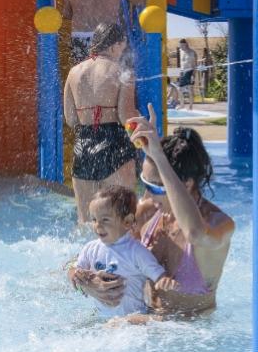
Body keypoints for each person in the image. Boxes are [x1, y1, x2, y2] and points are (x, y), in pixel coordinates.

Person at [70, 105, 235, 318]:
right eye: (144, 183)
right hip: (142, 320)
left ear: (185, 185)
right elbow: (80, 258)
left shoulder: (220, 224)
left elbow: (194, 234)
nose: (146, 195)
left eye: (155, 187)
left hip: (189, 333)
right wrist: (84, 281)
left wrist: (158, 156)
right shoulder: (147, 212)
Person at [64, 23, 139, 223]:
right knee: (123, 218)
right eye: (122, 48)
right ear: (115, 45)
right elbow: (126, 117)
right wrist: (141, 125)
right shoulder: (123, 72)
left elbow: (71, 119)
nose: (122, 52)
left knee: (87, 221)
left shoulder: (74, 73)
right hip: (115, 144)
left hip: (83, 146)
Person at [75, 186, 165, 318]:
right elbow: (76, 272)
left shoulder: (136, 251)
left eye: (105, 219)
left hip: (132, 322)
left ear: (127, 221)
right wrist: (82, 277)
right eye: (94, 219)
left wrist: (164, 281)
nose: (97, 225)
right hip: (101, 320)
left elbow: (157, 275)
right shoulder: (90, 249)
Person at [177, 38, 197, 110]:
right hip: (182, 71)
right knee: (179, 89)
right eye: (180, 45)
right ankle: (182, 105)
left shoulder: (192, 52)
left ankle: (190, 106)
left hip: (189, 71)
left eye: (182, 45)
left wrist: (193, 75)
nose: (181, 47)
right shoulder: (180, 51)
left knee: (190, 89)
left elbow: (194, 65)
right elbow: (181, 63)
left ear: (185, 44)